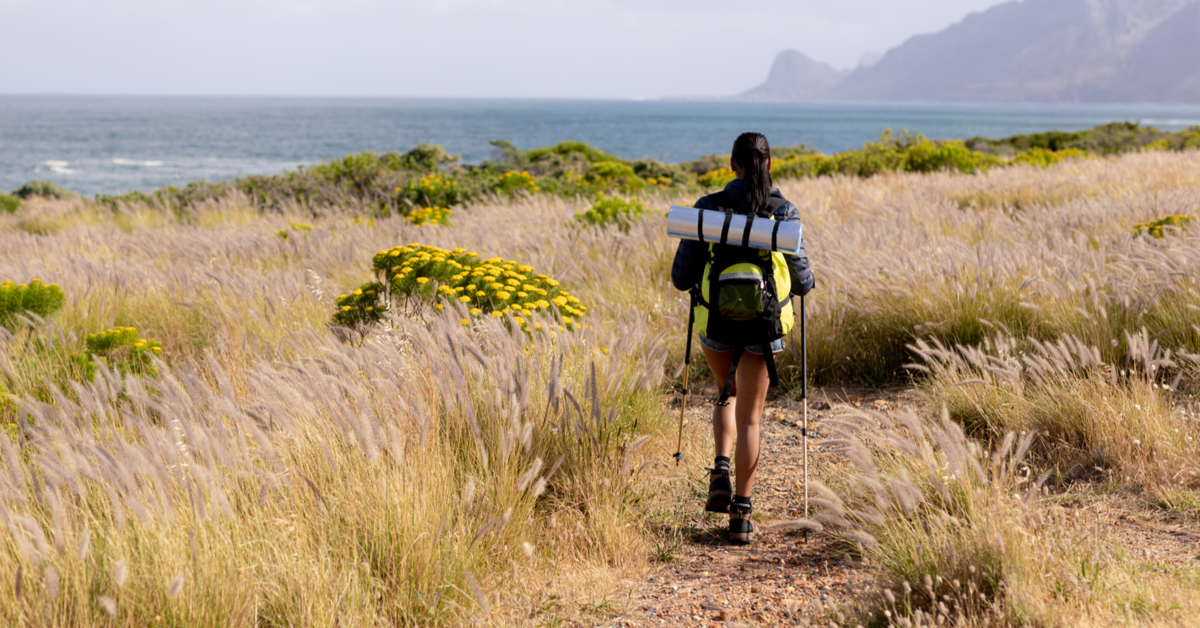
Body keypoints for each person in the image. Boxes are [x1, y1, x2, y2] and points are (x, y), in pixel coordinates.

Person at [670, 132, 815, 544]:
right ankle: (742, 514)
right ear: (768, 164)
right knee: (751, 416)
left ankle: (720, 466)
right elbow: (802, 281)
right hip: (763, 327)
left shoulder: (708, 208)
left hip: (715, 323)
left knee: (724, 394)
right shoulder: (783, 211)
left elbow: (682, 278)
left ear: (731, 164)